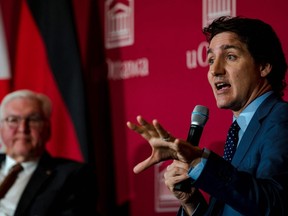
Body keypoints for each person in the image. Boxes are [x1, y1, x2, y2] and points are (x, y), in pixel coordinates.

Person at [127, 16, 288, 215]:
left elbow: (276, 205)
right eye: (211, 59)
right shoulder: (239, 132)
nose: (215, 70)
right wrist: (191, 201)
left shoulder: (281, 119)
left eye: (230, 56)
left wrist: (200, 162)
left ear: (263, 66)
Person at [0, 89, 100, 216]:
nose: (22, 128)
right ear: (1, 128)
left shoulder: (73, 176)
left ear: (47, 129)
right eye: (13, 120)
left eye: (33, 119)